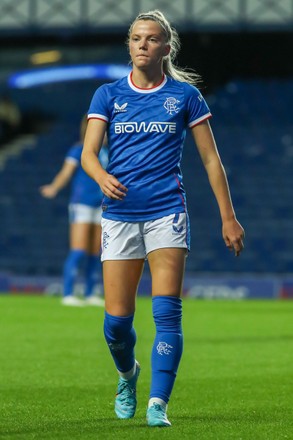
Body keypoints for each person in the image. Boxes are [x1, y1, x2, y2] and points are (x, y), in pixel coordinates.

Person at [81, 10, 245, 427]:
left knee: (167, 313)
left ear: (165, 48)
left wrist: (228, 217)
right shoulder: (108, 94)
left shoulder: (185, 96)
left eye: (151, 39)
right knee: (116, 325)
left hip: (167, 213)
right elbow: (88, 153)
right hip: (119, 216)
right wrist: (101, 176)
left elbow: (211, 160)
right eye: (136, 38)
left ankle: (158, 403)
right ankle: (127, 375)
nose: (142, 45)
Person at [40, 115, 108, 306]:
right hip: (82, 204)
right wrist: (54, 187)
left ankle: (90, 292)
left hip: (101, 204)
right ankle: (68, 293)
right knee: (78, 249)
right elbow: (66, 172)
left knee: (96, 251)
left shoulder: (108, 153)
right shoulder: (79, 150)